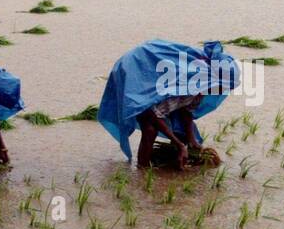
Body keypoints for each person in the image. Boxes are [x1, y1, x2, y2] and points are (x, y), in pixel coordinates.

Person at [97, 40, 239, 169]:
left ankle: (171, 161)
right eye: (222, 87)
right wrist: (179, 144)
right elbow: (152, 113)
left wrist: (190, 139)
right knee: (150, 129)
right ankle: (143, 169)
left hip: (154, 82)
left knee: (183, 132)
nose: (221, 91)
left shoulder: (200, 89)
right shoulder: (185, 86)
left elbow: (185, 112)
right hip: (136, 72)